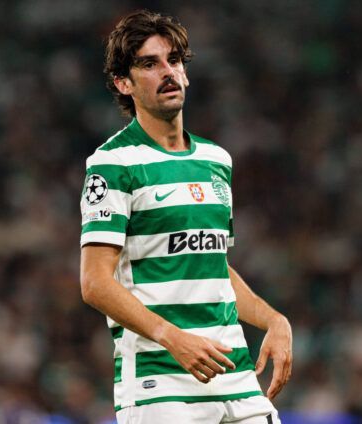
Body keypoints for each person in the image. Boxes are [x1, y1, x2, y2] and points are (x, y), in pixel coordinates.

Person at [80, 10, 293, 423]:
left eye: (174, 60)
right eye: (149, 63)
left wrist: (273, 320)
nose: (167, 72)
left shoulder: (216, 161)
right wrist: (171, 337)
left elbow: (214, 268)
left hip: (235, 374)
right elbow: (94, 282)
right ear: (123, 84)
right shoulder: (113, 164)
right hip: (161, 385)